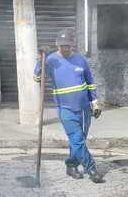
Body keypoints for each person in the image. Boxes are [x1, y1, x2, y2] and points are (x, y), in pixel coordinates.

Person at [34, 28, 104, 183]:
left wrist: (95, 103)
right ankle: (91, 168)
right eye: (61, 45)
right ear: (57, 44)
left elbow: (90, 82)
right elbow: (37, 78)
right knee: (77, 139)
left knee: (78, 141)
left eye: (67, 45)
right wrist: (39, 61)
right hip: (65, 109)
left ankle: (71, 165)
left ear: (72, 44)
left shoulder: (81, 60)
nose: (64, 48)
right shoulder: (51, 60)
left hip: (85, 108)